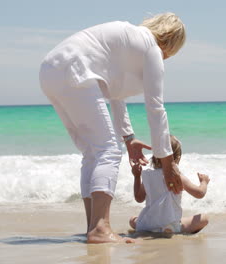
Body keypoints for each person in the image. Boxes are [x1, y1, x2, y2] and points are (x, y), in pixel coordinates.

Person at [38, 13, 186, 243]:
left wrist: (129, 139)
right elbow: (156, 108)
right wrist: (166, 162)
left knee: (93, 153)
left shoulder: (128, 43)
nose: (167, 58)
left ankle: (93, 227)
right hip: (76, 67)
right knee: (108, 150)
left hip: (50, 70)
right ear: (170, 42)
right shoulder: (151, 48)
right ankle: (100, 228)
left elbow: (115, 94)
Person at [129, 135, 210, 234]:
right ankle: (168, 229)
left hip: (147, 224)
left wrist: (137, 177)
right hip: (170, 224)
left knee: (132, 219)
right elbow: (199, 193)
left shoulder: (148, 176)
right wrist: (204, 182)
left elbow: (139, 198)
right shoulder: (177, 177)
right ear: (177, 158)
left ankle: (146, 227)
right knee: (204, 218)